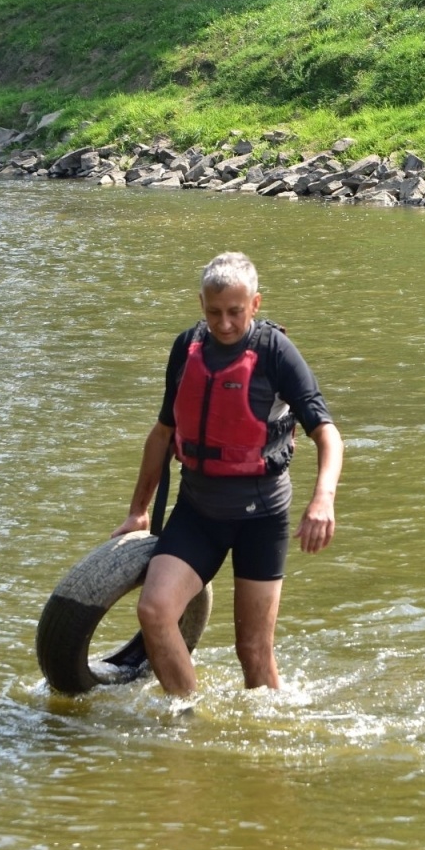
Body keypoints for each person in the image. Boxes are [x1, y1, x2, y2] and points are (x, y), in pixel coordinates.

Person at [111, 252, 343, 696]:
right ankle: (187, 721)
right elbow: (163, 433)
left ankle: (270, 741)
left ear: (255, 304)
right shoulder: (186, 348)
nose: (224, 324)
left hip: (261, 517)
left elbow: (328, 436)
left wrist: (323, 500)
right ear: (200, 303)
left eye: (235, 312)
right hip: (198, 510)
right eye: (213, 312)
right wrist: (138, 511)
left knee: (252, 650)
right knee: (155, 611)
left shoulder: (276, 353)